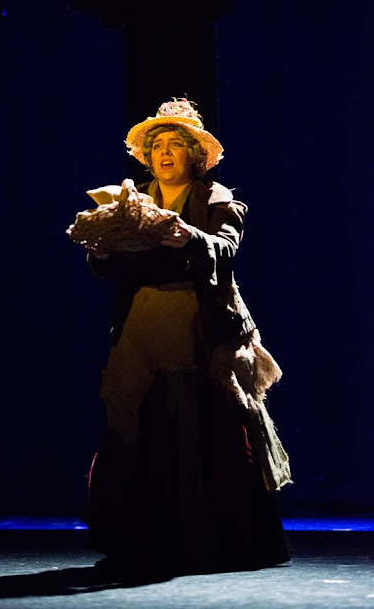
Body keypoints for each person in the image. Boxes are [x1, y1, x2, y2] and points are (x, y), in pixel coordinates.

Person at [83, 98, 292, 580]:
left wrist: (189, 238)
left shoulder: (215, 198)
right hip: (145, 325)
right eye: (158, 145)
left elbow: (226, 248)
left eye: (175, 144)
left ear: (193, 155)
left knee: (212, 424)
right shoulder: (131, 198)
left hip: (201, 324)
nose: (165, 152)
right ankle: (142, 540)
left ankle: (223, 539)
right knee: (142, 422)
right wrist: (100, 251)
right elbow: (108, 265)